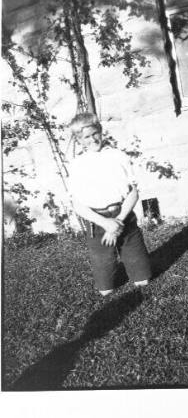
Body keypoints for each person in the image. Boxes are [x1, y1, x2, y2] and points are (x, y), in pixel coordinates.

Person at [68, 112, 151, 296]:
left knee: (143, 280)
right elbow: (78, 204)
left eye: (95, 133)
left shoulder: (118, 156)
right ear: (79, 140)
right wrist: (106, 224)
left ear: (100, 130)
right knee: (105, 289)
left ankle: (135, 263)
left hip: (124, 216)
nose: (93, 139)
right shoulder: (77, 165)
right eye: (86, 137)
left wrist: (118, 222)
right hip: (97, 223)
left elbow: (133, 193)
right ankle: (107, 271)